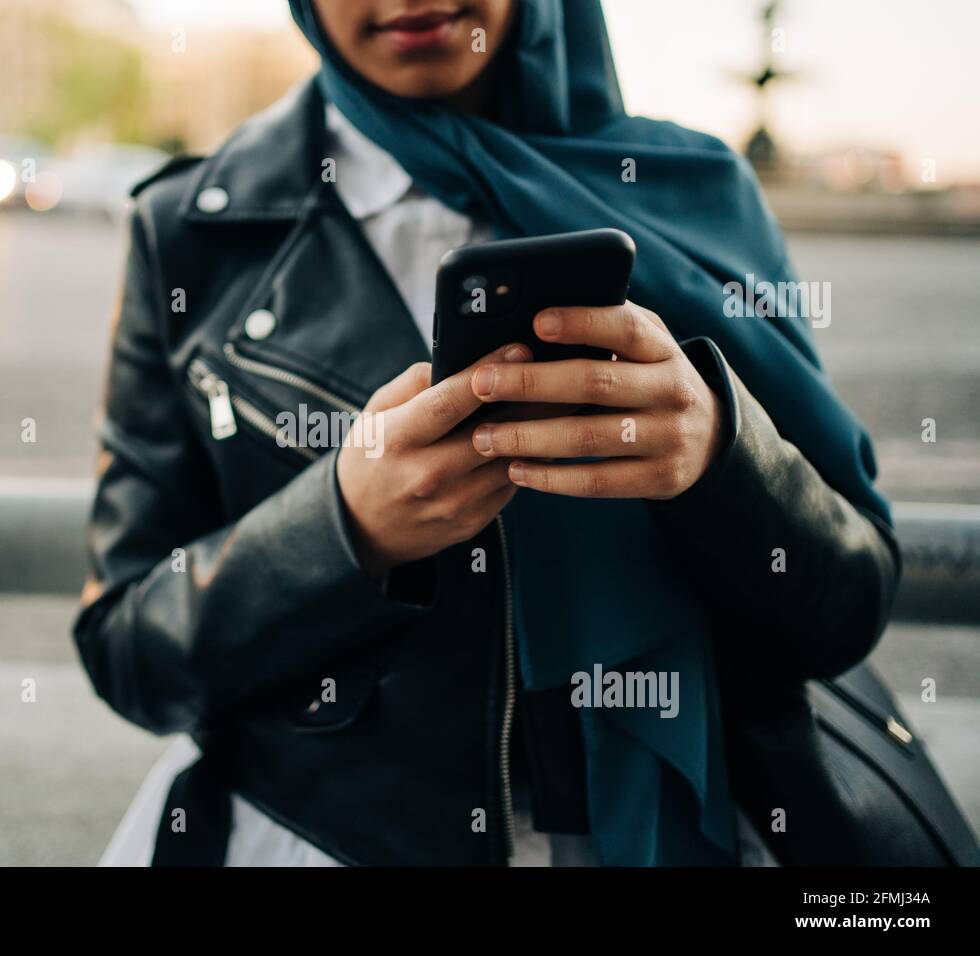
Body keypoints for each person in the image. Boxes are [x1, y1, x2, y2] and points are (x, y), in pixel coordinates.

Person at [72, 0, 902, 866]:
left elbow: (848, 605)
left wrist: (721, 458)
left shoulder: (697, 191)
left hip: (688, 826)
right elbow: (131, 649)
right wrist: (343, 528)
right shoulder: (192, 229)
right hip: (323, 837)